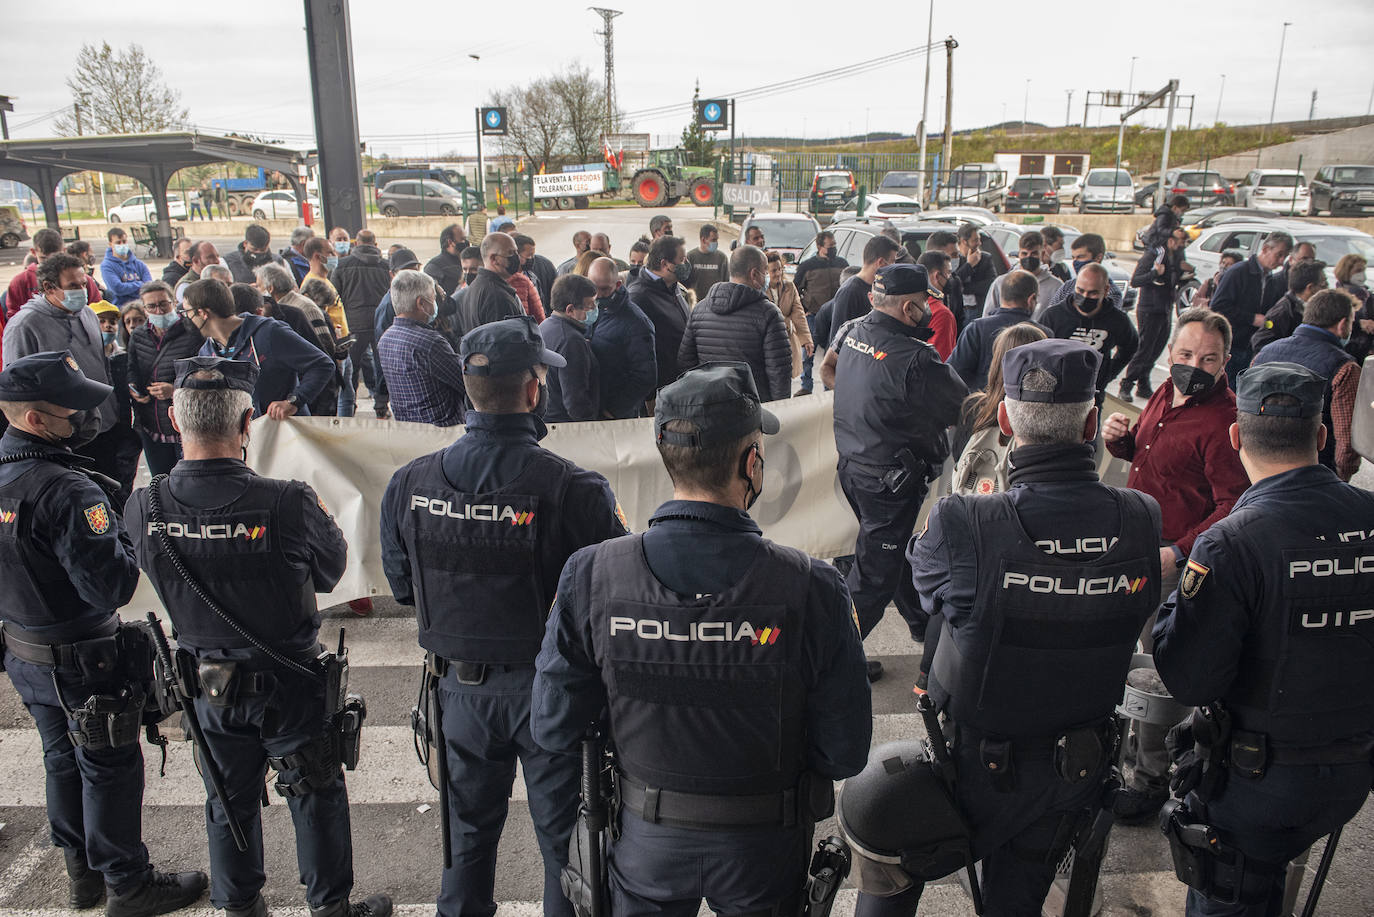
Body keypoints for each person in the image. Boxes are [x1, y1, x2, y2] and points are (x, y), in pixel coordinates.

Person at [531, 362, 872, 917]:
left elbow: (554, 726)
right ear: (752, 464)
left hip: (644, 842)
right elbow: (844, 751)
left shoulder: (592, 573)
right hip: (766, 846)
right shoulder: (813, 586)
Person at [856, 339, 1162, 917]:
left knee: (883, 830)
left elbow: (927, 597)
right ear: (1091, 420)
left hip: (972, 765)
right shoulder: (1141, 516)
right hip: (1075, 767)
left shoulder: (963, 519)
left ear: (1002, 417)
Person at [124, 356, 390, 917]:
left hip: (204, 682)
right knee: (314, 792)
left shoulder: (144, 504)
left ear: (174, 422)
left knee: (227, 798)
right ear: (248, 423)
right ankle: (329, 908)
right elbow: (329, 574)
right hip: (289, 682)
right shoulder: (288, 500)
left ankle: (239, 905)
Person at [380, 316, 627, 917]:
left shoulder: (409, 483)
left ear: (468, 389)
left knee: (465, 843)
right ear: (535, 388)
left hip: (460, 695)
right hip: (552, 695)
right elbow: (612, 602)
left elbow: (404, 588)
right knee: (568, 850)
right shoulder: (574, 488)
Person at [1152, 361, 1374, 917]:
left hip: (1257, 783)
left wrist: (1169, 612)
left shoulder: (1230, 543)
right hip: (1351, 771)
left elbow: (1189, 676)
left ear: (1234, 437)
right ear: (1321, 437)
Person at [0, 351, 209, 917]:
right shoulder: (69, 491)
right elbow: (112, 586)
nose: (87, 418)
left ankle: (83, 874)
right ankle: (128, 883)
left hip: (26, 649)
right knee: (109, 768)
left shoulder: (10, 476)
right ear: (35, 420)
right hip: (85, 657)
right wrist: (124, 535)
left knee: (61, 759)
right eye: (74, 411)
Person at [1102, 307, 1250, 822]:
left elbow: (1234, 502)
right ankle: (1124, 755)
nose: (1195, 366)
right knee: (1125, 656)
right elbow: (1150, 461)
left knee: (1159, 667)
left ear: (1226, 361)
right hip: (1139, 546)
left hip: (1175, 560)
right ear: (1170, 353)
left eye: (1208, 359)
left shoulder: (1224, 420)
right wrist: (1122, 440)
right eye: (1186, 355)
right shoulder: (1166, 392)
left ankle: (1151, 776)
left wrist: (1181, 551)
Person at [819, 263, 967, 680]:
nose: (926, 311)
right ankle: (830, 662)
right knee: (871, 582)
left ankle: (920, 625)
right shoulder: (917, 359)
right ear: (908, 307)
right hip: (888, 483)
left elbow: (827, 368)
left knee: (892, 552)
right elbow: (966, 409)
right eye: (923, 304)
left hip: (854, 468)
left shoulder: (851, 330)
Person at [3, 252, 129, 499]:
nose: (82, 291)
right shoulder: (24, 326)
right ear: (49, 287)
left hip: (104, 426)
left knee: (114, 497)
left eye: (84, 284)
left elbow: (102, 367)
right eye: (73, 286)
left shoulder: (88, 314)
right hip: (64, 436)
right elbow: (16, 392)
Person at [1252, 289, 1362, 480]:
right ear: (1342, 323)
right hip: (1317, 475)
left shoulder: (1264, 354)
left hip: (1262, 470)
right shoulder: (1345, 368)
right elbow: (1347, 440)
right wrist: (1340, 478)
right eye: (1351, 322)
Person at [186, 278, 334, 420]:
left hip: (283, 434)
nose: (185, 318)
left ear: (203, 313)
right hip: (240, 440)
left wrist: (294, 401)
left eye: (186, 312)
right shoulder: (207, 352)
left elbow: (322, 364)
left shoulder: (268, 333)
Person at [678, 246, 793, 402]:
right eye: (765, 272)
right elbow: (779, 373)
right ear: (754, 274)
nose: (767, 276)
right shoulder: (769, 314)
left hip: (708, 406)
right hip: (752, 412)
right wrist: (779, 411)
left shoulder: (699, 310)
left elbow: (686, 362)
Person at [1039, 263, 1139, 420]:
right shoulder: (1053, 316)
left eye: (1092, 293)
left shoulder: (1117, 320)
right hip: (1055, 397)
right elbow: (1038, 351)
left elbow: (1130, 346)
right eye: (1080, 291)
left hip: (1092, 398)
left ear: (1105, 291)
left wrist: (1108, 373)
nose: (1084, 297)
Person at [127, 280, 203, 475]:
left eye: (163, 304)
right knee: (160, 481)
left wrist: (174, 389)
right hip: (151, 425)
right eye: (152, 306)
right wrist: (134, 387)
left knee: (189, 480)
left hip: (185, 425)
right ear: (144, 309)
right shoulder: (139, 336)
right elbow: (132, 368)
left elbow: (204, 373)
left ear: (173, 303)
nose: (159, 310)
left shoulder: (193, 332)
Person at [949, 321, 1048, 471]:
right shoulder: (1049, 416)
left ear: (997, 362)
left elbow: (959, 455)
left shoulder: (975, 408)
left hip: (979, 491)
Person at [376, 270, 467, 427]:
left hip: (408, 429)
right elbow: (465, 380)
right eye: (433, 299)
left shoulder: (386, 338)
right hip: (441, 431)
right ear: (421, 304)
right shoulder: (430, 342)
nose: (436, 304)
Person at [1119, 227, 1193, 402]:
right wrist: (1155, 273)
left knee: (1157, 348)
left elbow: (1173, 279)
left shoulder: (1178, 256)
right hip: (1150, 308)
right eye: (1180, 240)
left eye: (1185, 241)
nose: (1183, 245)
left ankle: (1143, 384)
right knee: (1145, 348)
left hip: (1165, 307)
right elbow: (1136, 280)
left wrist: (1185, 273)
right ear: (1171, 240)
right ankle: (1127, 383)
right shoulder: (1154, 255)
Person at [1209, 230, 1294, 378]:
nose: (1281, 261)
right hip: (1232, 345)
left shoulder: (1271, 280)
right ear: (1266, 249)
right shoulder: (1238, 272)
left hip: (1253, 347)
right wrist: (1252, 318)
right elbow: (1218, 307)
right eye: (1279, 255)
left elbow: (1267, 316)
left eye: (1285, 257)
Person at [948, 270, 1047, 392]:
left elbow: (953, 373)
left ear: (1001, 296)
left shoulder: (977, 329)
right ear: (1031, 299)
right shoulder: (1043, 334)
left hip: (981, 406)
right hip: (1026, 408)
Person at [587, 257, 656, 419]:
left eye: (603, 289)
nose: (596, 294)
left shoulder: (637, 323)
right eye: (592, 287)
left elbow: (645, 376)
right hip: (592, 408)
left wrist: (614, 409)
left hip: (614, 415)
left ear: (617, 285)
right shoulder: (588, 308)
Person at [333, 230, 392, 419]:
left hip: (353, 324)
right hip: (380, 323)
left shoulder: (342, 265)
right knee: (382, 366)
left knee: (351, 369)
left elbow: (335, 296)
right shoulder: (386, 266)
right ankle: (381, 405)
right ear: (375, 244)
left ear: (356, 244)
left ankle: (348, 408)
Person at [629, 235, 692, 392]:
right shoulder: (639, 297)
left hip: (682, 381)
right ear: (665, 264)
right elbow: (638, 352)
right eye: (682, 260)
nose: (686, 264)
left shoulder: (674, 286)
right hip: (662, 389)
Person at [538, 273, 600, 422]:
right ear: (570, 309)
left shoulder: (545, 326)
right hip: (566, 424)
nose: (595, 309)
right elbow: (575, 400)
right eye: (590, 306)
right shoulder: (571, 341)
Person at [7, 228, 103, 321]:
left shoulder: (82, 280)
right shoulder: (20, 282)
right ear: (33, 252)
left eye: (57, 258)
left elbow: (100, 311)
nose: (50, 265)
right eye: (44, 259)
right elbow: (14, 317)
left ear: (64, 251)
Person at [1248, 259, 1328, 355]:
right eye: (1323, 285)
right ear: (1310, 288)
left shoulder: (1308, 308)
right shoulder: (1282, 312)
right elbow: (1260, 341)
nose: (1327, 288)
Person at [829, 234, 902, 336]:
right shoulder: (849, 292)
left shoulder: (880, 288)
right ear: (881, 262)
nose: (894, 267)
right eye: (893, 262)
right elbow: (837, 337)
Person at [456, 232, 524, 337]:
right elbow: (506, 343)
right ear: (494, 259)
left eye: (516, 252)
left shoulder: (476, 286)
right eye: (510, 253)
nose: (516, 258)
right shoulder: (497, 296)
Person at [1042, 232, 1125, 316]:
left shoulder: (1112, 293)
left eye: (1080, 257)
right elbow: (1051, 314)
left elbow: (1106, 319)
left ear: (1098, 258)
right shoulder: (1068, 286)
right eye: (1073, 257)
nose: (1075, 262)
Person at [982, 230, 1061, 317]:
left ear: (1042, 254)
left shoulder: (1055, 287)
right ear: (1019, 254)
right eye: (1024, 253)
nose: (1028, 257)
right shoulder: (1001, 283)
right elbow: (987, 315)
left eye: (1034, 253)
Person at [766, 250, 814, 384]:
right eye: (773, 270)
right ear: (765, 272)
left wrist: (806, 340)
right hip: (767, 341)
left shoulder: (789, 287)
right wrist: (785, 320)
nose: (778, 273)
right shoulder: (759, 289)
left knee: (785, 378)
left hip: (786, 339)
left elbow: (798, 313)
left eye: (780, 269)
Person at [913, 250, 958, 360]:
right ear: (937, 276)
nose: (951, 278)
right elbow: (941, 358)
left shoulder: (910, 305)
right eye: (948, 273)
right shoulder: (942, 314)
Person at [952, 223, 997, 326]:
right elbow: (952, 282)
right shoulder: (953, 258)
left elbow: (990, 284)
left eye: (979, 239)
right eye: (975, 240)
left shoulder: (985, 258)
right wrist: (969, 265)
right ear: (964, 241)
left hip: (978, 310)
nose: (979, 243)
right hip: (959, 311)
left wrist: (965, 288)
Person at [1334, 253, 1374, 363]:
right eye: (1358, 271)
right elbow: (1333, 318)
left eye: (1363, 270)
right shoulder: (1336, 295)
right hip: (1347, 350)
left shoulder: (1368, 295)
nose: (1362, 275)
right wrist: (1359, 323)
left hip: (1367, 350)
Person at [100, 228, 153, 307]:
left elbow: (149, 286)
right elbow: (117, 288)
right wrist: (140, 284)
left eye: (124, 242)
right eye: (118, 242)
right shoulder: (107, 266)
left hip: (143, 305)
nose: (122, 245)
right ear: (110, 244)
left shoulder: (139, 264)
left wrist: (128, 288)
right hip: (121, 307)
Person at [685, 223, 729, 302]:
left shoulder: (722, 258)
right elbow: (685, 283)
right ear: (703, 240)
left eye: (717, 240)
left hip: (715, 303)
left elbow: (726, 283)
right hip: (695, 303)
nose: (716, 243)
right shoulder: (690, 257)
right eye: (713, 240)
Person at [515, 233, 558, 309]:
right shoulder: (507, 279)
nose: (532, 259)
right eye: (528, 255)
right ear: (517, 255)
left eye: (533, 255)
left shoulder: (533, 276)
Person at [424, 223, 469, 296]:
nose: (466, 242)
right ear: (450, 242)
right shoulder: (434, 267)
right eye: (462, 239)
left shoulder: (468, 262)